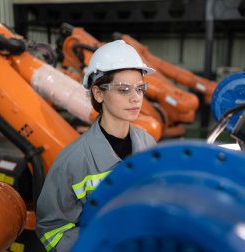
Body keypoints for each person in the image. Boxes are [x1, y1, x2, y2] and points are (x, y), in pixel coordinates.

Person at [36, 40, 157, 252]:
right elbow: (52, 230)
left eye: (140, 89)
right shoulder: (72, 161)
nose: (135, 97)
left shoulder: (148, 144)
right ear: (98, 93)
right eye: (123, 89)